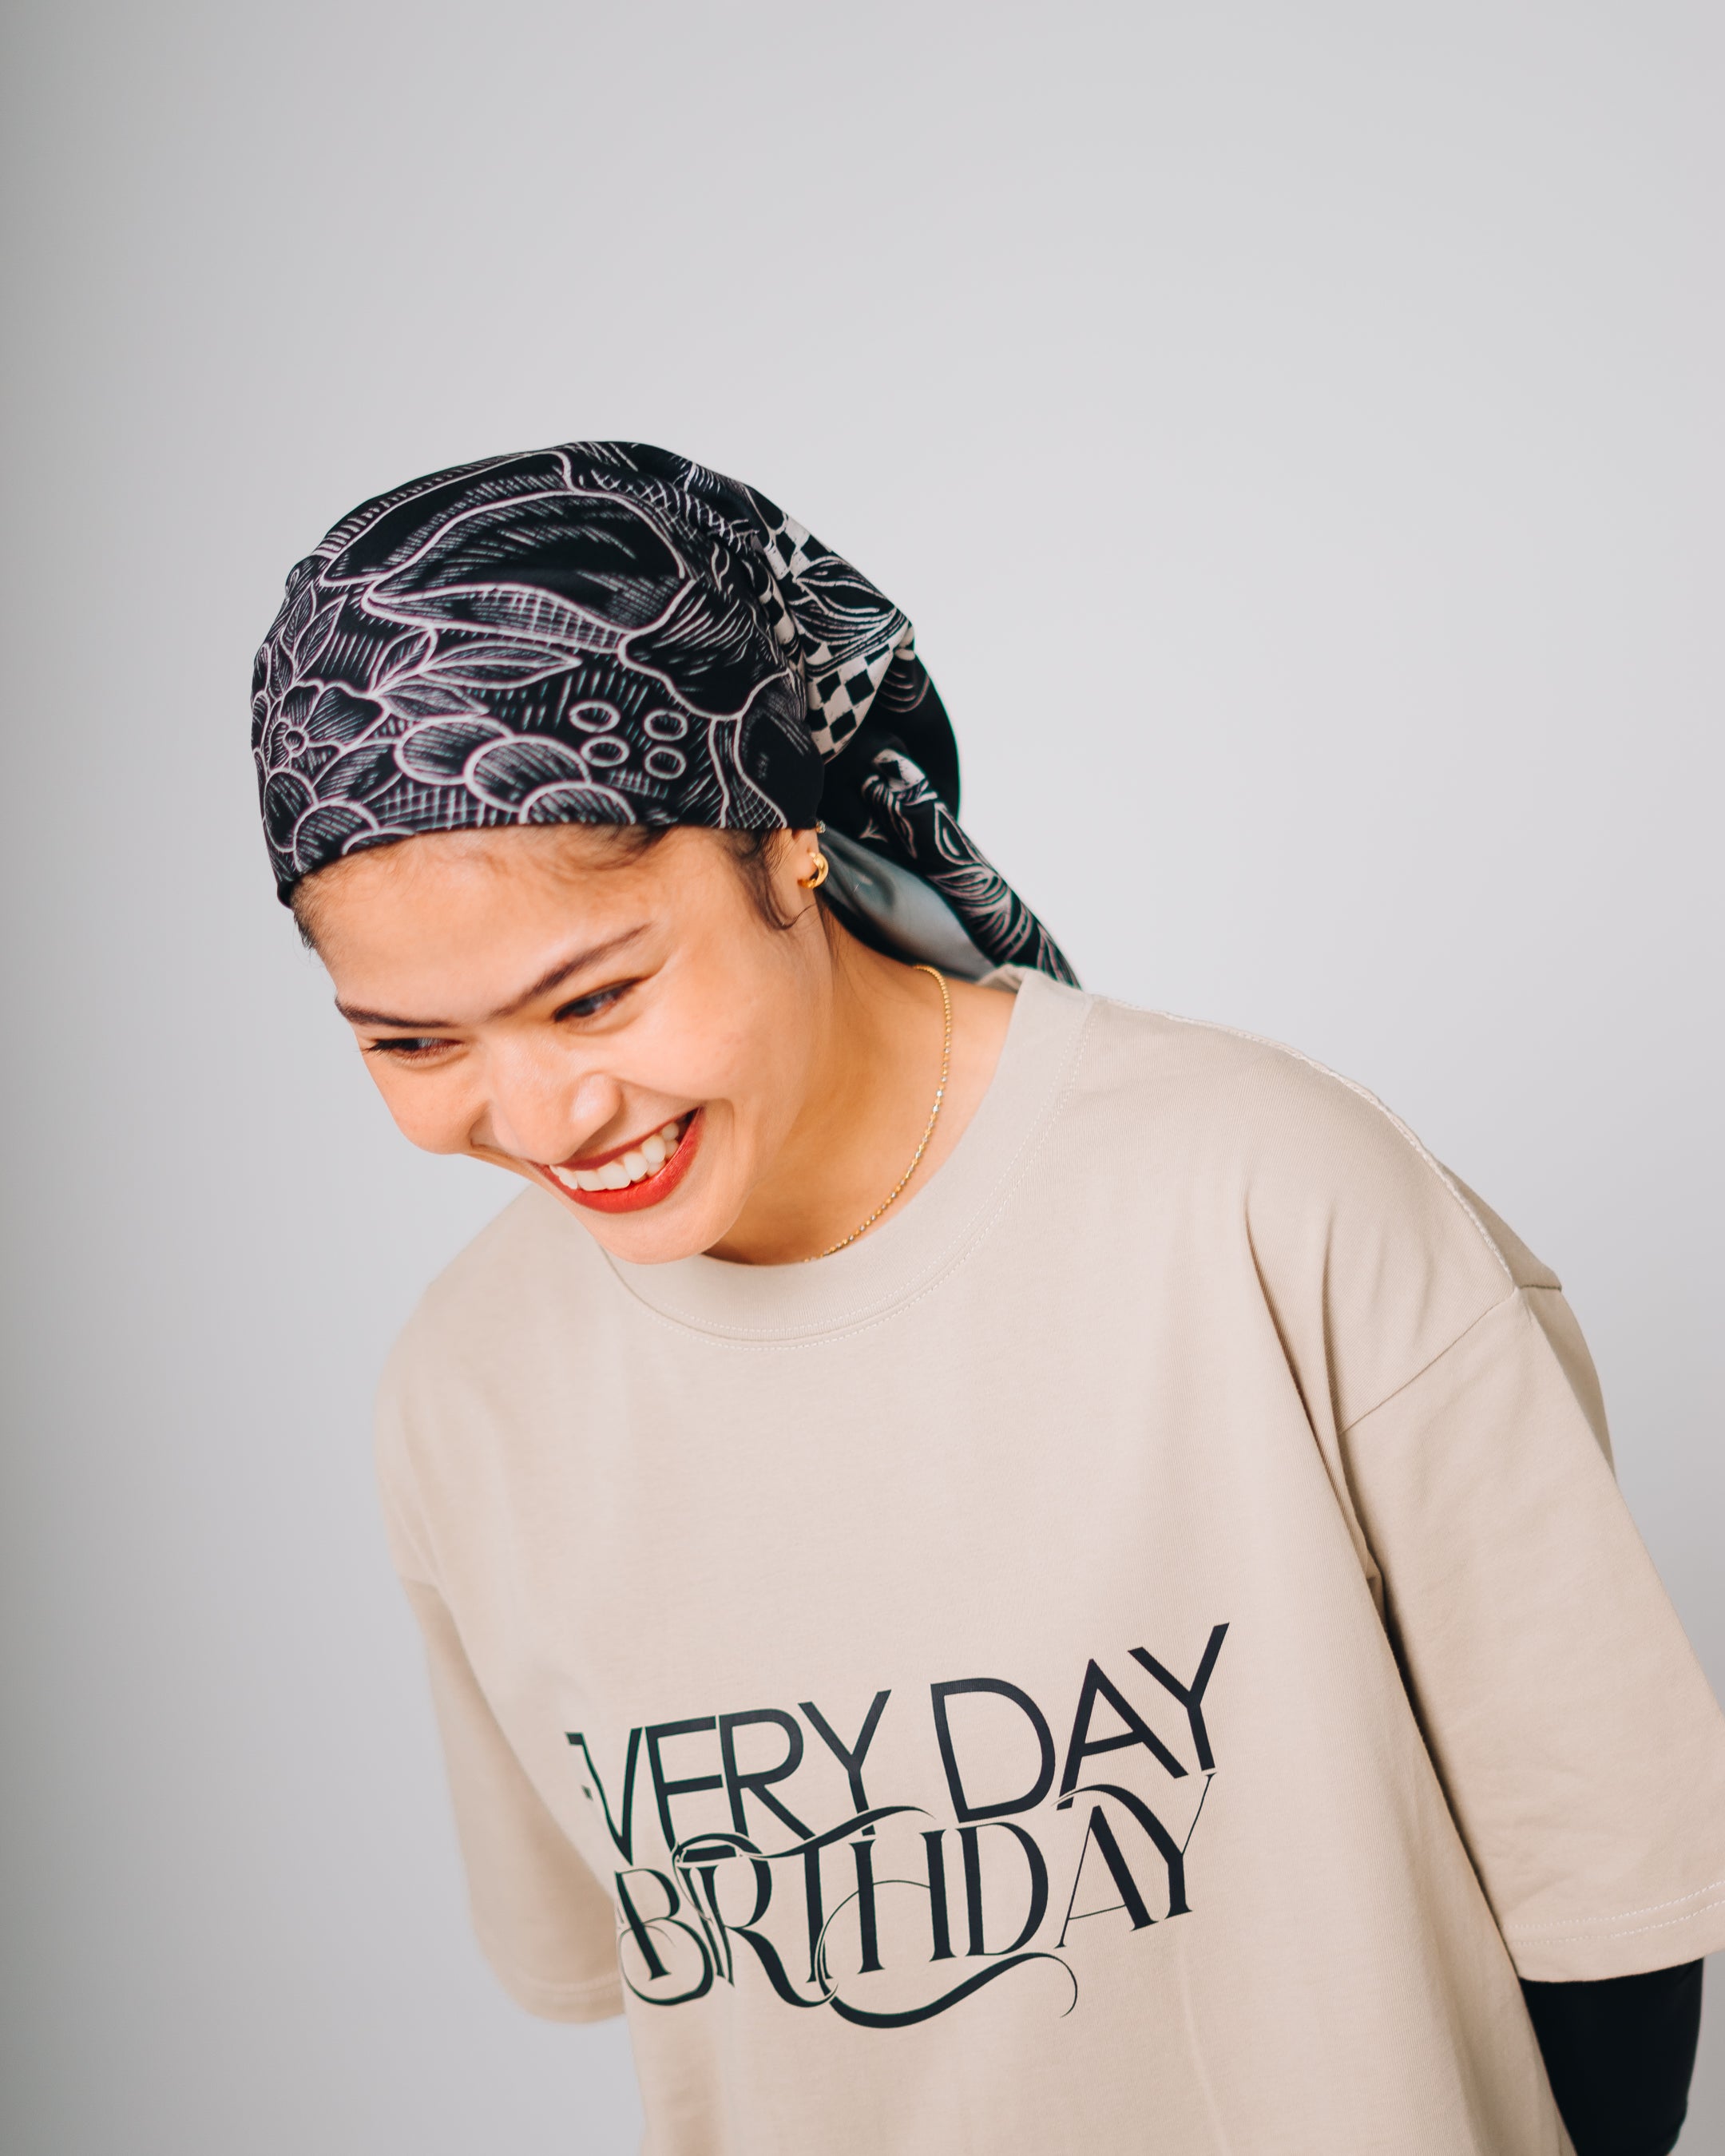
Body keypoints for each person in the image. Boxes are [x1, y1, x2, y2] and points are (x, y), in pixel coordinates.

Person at [254, 441, 1724, 2154]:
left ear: (786, 846)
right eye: (412, 1042)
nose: (538, 1116)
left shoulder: (1270, 1199)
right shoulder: (468, 1393)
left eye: (594, 1000)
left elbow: (1613, 1915)